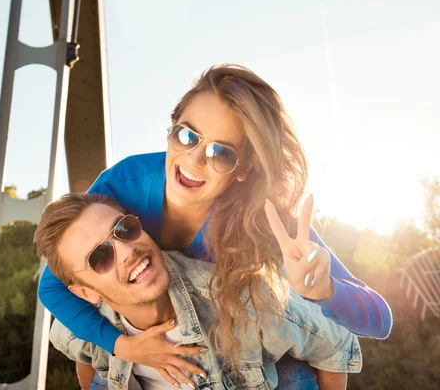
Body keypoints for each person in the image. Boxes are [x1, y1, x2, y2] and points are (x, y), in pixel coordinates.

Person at [38, 64, 392, 388]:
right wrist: (125, 347)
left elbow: (379, 320)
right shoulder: (124, 183)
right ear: (171, 129)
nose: (193, 160)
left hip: (243, 352)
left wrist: (323, 289)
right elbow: (56, 287)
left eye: (220, 153)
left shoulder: (260, 221)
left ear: (243, 169)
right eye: (187, 136)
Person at [34, 192, 362, 389]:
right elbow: (82, 356)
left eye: (124, 229)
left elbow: (337, 343)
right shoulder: (77, 328)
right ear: (86, 294)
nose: (127, 250)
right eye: (99, 257)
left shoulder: (247, 302)